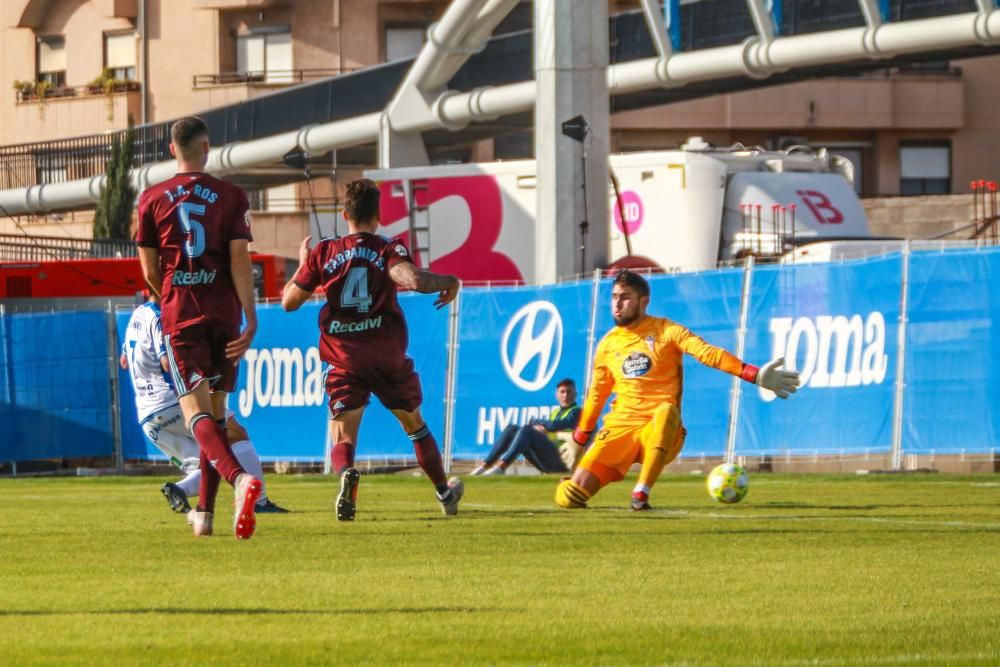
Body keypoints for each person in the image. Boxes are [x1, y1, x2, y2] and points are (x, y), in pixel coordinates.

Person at [280, 178, 464, 521]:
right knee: (414, 425)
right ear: (377, 216)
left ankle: (347, 473)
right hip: (386, 354)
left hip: (345, 357)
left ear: (345, 213)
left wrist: (306, 263)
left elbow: (289, 302)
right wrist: (449, 282)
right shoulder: (387, 248)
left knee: (343, 431)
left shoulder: (324, 252)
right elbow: (414, 280)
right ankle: (444, 492)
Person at [555, 269, 801, 511]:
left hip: (662, 429)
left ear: (643, 302)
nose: (617, 304)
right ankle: (576, 484)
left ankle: (641, 492)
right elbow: (597, 394)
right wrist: (580, 437)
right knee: (570, 498)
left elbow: (708, 353)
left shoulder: (666, 331)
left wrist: (754, 374)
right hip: (620, 427)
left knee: (665, 411)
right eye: (614, 297)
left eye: (625, 297)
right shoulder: (608, 344)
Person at [136, 115, 263, 539]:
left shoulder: (152, 199)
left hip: (183, 314)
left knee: (196, 413)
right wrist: (250, 313)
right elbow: (240, 259)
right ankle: (204, 516)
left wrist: (170, 294)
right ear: (206, 148)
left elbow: (150, 270)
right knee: (219, 414)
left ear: (172, 149)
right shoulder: (231, 196)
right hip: (225, 313)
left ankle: (240, 480)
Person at [119, 296, 288, 515]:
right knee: (235, 434)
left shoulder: (138, 315)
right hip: (170, 401)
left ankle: (178, 490)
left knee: (210, 459)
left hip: (148, 416)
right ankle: (260, 501)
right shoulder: (162, 316)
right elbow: (167, 361)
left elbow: (124, 361)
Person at [472, 378, 582, 476]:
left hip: (563, 462)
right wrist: (542, 429)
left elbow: (554, 425)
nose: (565, 395)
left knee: (527, 430)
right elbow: (551, 428)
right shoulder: (555, 412)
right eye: (562, 392)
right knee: (512, 429)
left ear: (575, 394)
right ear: (556, 395)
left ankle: (501, 467)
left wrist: (535, 422)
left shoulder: (577, 412)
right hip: (550, 457)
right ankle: (484, 466)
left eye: (569, 392)